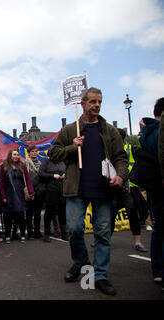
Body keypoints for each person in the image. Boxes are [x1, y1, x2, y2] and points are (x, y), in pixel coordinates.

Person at [49, 87, 128, 296]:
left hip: (104, 189)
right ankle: (82, 264)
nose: (97, 106)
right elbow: (53, 154)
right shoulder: (70, 131)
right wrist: (72, 147)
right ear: (82, 104)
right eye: (92, 102)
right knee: (75, 230)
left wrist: (120, 175)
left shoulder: (109, 130)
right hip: (77, 190)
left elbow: (121, 157)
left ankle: (100, 275)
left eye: (99, 102)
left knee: (102, 233)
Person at [139, 97, 164, 289]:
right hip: (159, 185)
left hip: (153, 186)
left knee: (158, 228)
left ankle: (157, 270)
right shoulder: (157, 133)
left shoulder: (146, 134)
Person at [111, 128, 147, 252]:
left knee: (132, 214)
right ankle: (105, 240)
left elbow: (134, 165)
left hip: (128, 187)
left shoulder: (129, 149)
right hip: (115, 187)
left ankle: (138, 242)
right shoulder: (110, 150)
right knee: (110, 215)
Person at [0, 148, 34, 244]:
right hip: (9, 194)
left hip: (20, 195)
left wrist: (31, 191)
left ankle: (22, 234)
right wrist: (3, 196)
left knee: (20, 216)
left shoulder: (22, 166)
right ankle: (7, 235)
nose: (16, 156)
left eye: (17, 155)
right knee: (8, 217)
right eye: (14, 154)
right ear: (10, 155)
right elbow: (1, 183)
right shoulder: (4, 167)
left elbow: (28, 180)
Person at [38, 157, 67, 242]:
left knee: (62, 212)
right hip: (50, 189)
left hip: (61, 189)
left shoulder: (62, 162)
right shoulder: (46, 162)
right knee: (49, 212)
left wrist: (65, 175)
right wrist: (52, 175)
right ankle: (47, 234)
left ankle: (64, 233)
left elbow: (66, 171)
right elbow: (41, 174)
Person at [25, 145, 43, 239]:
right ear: (29, 153)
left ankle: (37, 231)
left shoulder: (40, 163)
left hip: (38, 190)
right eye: (32, 151)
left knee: (37, 213)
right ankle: (30, 232)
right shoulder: (26, 163)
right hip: (30, 189)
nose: (34, 153)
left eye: (36, 151)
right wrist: (28, 188)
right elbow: (26, 177)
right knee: (29, 212)